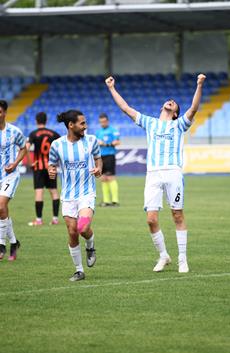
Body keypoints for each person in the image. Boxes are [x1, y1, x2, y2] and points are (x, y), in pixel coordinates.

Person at [105, 74, 206, 273]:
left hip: (173, 173)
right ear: (162, 107)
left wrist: (199, 85)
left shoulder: (179, 125)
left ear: (176, 112)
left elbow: (194, 108)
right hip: (153, 174)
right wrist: (111, 88)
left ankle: (182, 259)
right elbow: (126, 109)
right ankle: (163, 256)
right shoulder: (150, 123)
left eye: (174, 103)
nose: (171, 102)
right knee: (151, 219)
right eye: (168, 101)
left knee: (177, 214)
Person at [48, 110, 102, 281]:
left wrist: (98, 168)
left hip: (86, 193)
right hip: (68, 195)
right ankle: (79, 270)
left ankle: (90, 245)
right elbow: (52, 164)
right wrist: (51, 170)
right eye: (82, 123)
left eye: (85, 123)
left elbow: (98, 158)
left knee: (82, 228)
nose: (85, 126)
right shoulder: (57, 145)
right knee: (72, 232)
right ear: (71, 125)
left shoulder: (91, 140)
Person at [0, 100, 27, 261]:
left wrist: (15, 163)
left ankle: (1, 244)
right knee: (2, 211)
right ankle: (14, 242)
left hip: (10, 175)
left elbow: (24, 148)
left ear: (4, 113)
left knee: (1, 206)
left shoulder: (14, 131)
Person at [26, 112, 61, 226]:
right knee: (54, 192)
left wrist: (31, 163)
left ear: (36, 121)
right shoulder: (54, 134)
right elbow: (61, 148)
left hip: (38, 166)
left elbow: (26, 148)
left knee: (39, 192)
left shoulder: (33, 133)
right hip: (51, 166)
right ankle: (55, 219)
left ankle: (39, 220)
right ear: (46, 120)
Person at [96, 113, 120, 207]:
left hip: (110, 155)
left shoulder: (113, 130)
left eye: (104, 121)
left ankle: (115, 200)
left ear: (107, 121)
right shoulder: (98, 132)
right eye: (101, 122)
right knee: (103, 178)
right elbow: (96, 143)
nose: (103, 123)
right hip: (101, 157)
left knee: (111, 177)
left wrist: (107, 144)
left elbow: (118, 142)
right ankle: (106, 201)